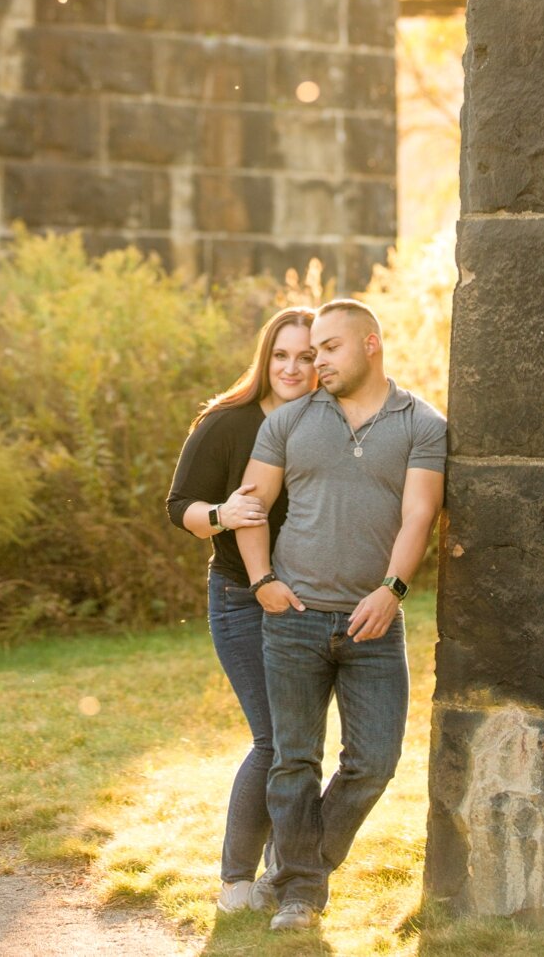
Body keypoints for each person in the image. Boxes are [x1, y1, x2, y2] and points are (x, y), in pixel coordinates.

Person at [234, 297, 447, 934]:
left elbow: (420, 514)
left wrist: (392, 590)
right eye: (311, 349)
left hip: (374, 622)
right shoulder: (290, 422)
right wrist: (261, 580)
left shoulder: (422, 422)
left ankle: (295, 868)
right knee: (294, 758)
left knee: (374, 761)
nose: (314, 361)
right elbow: (250, 503)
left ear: (370, 344)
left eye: (328, 347)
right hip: (294, 619)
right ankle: (301, 897)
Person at [162, 305, 317, 915]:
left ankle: (284, 878)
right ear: (265, 358)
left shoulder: (329, 423)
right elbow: (178, 507)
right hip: (239, 598)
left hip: (312, 601)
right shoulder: (227, 424)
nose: (293, 367)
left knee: (301, 742)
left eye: (307, 356)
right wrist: (223, 515)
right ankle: (235, 882)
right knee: (275, 739)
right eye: (281, 355)